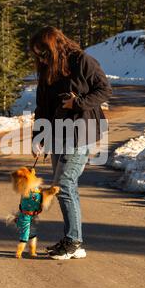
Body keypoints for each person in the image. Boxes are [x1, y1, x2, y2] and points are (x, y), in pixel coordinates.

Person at [30, 26, 112, 260]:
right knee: (64, 187)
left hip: (82, 132)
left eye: (44, 52)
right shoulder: (47, 70)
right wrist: (39, 135)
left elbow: (105, 90)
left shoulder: (82, 61)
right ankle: (74, 240)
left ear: (55, 45)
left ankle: (73, 241)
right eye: (37, 54)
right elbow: (42, 106)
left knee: (64, 184)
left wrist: (77, 104)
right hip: (57, 133)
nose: (41, 58)